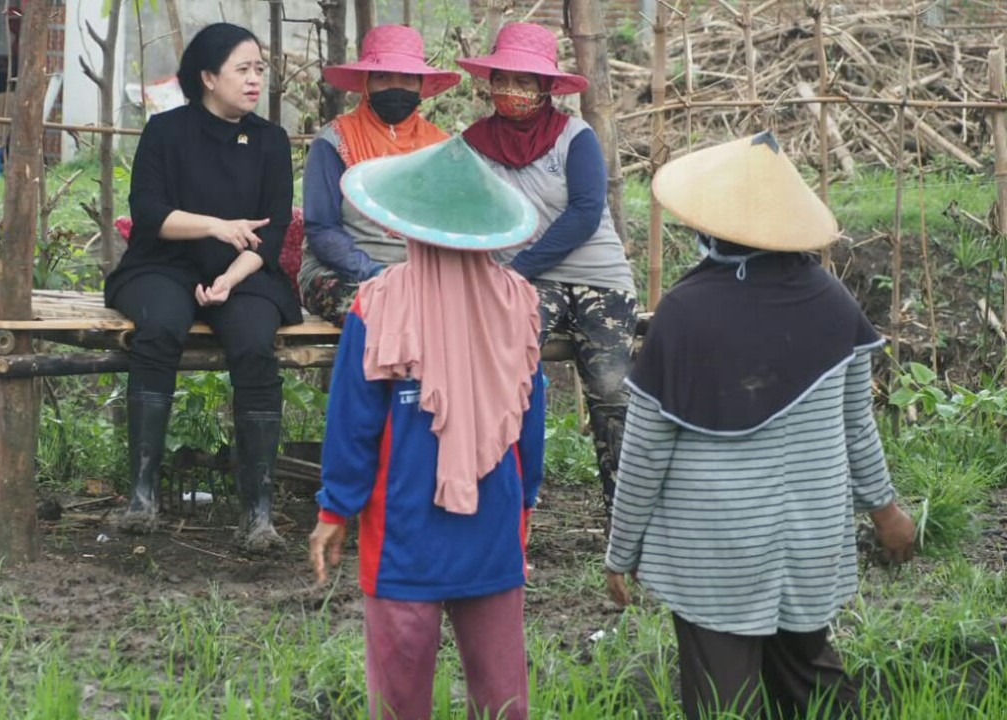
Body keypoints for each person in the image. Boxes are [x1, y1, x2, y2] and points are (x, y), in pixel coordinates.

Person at [603, 132, 917, 719]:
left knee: (723, 699)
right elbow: (858, 428)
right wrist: (886, 512)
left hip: (714, 549)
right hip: (810, 540)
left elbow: (646, 450)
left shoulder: (684, 313)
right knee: (810, 681)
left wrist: (622, 550)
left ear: (712, 225)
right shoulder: (834, 303)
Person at [309, 137, 546, 720]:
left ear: (409, 225)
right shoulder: (518, 302)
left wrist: (335, 510)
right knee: (501, 693)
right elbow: (530, 418)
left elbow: (354, 421)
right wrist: (524, 501)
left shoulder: (378, 304)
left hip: (403, 523)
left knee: (399, 693)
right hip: (494, 512)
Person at [105, 23, 301, 552]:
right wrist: (216, 226)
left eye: (260, 69)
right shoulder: (166, 131)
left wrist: (231, 277)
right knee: (161, 326)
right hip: (164, 264)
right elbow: (149, 214)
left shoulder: (270, 141)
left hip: (243, 273)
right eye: (243, 69)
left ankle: (258, 514)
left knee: (255, 342)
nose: (255, 79)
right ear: (209, 77)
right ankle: (142, 496)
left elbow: (272, 232)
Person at [457, 23, 637, 525]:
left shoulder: (575, 137)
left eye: (524, 81)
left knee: (610, 388)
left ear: (546, 88)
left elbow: (584, 214)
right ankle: (503, 508)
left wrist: (516, 269)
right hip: (528, 280)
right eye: (503, 79)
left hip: (597, 277)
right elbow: (463, 214)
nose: (511, 90)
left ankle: (625, 522)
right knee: (504, 372)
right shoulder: (473, 144)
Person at [298, 24, 460, 326]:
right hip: (340, 273)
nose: (395, 86)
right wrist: (374, 272)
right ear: (366, 82)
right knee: (384, 310)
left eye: (407, 78)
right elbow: (322, 229)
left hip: (419, 276)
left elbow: (453, 226)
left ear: (421, 84)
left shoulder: (441, 148)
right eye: (383, 77)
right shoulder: (333, 141)